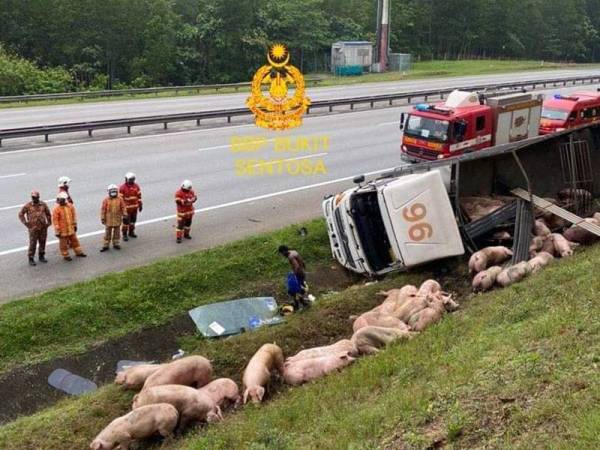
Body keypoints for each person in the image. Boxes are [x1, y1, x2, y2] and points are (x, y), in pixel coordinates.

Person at [18, 190, 52, 266]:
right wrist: (26, 223)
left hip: (43, 227)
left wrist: (49, 222)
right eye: (33, 197)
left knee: (42, 242)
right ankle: (31, 258)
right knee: (33, 243)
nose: (34, 199)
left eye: (35, 197)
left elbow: (48, 213)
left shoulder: (43, 204)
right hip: (33, 229)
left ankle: (41, 256)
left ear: (38, 197)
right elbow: (20, 214)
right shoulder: (28, 205)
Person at [52, 191, 86, 261]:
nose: (61, 201)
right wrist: (57, 230)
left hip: (71, 228)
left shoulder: (70, 206)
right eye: (60, 200)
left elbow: (73, 216)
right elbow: (55, 221)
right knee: (63, 244)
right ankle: (65, 255)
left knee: (75, 241)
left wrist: (75, 225)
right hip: (62, 231)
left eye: (62, 200)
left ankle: (78, 252)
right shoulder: (56, 209)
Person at [278, 245, 310, 310]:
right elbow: (302, 262)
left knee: (294, 290)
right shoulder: (294, 252)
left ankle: (301, 304)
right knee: (297, 290)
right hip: (302, 272)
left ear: (284, 251)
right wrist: (303, 268)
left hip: (298, 274)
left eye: (281, 253)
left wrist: (293, 274)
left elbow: (296, 266)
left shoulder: (290, 257)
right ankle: (301, 304)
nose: (282, 255)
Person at [100, 184, 127, 252]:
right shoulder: (106, 200)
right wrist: (102, 218)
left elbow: (123, 207)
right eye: (112, 191)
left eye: (115, 191)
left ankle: (116, 243)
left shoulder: (120, 199)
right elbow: (103, 210)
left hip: (117, 219)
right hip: (108, 220)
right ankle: (106, 245)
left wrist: (125, 215)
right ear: (109, 192)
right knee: (107, 233)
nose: (113, 193)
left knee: (117, 233)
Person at [119, 172, 142, 241]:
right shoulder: (122, 188)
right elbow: (120, 199)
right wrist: (122, 209)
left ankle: (131, 232)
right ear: (126, 179)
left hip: (134, 208)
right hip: (126, 209)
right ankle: (124, 234)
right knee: (126, 222)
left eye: (133, 179)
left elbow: (139, 196)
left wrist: (140, 205)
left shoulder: (136, 186)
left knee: (133, 221)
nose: (132, 181)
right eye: (130, 179)